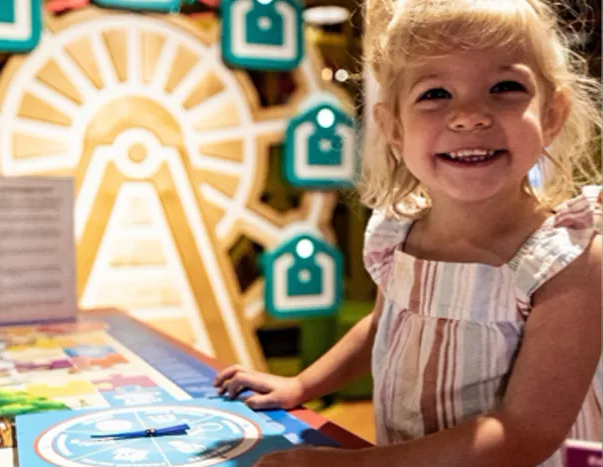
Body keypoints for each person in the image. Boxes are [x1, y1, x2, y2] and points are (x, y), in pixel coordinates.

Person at [213, 0, 603, 465]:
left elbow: (523, 434)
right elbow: (381, 326)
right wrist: (302, 385)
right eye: (435, 94)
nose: (470, 116)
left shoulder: (569, 261)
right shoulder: (396, 234)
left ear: (553, 114)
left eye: (505, 86)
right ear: (393, 128)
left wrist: (354, 464)